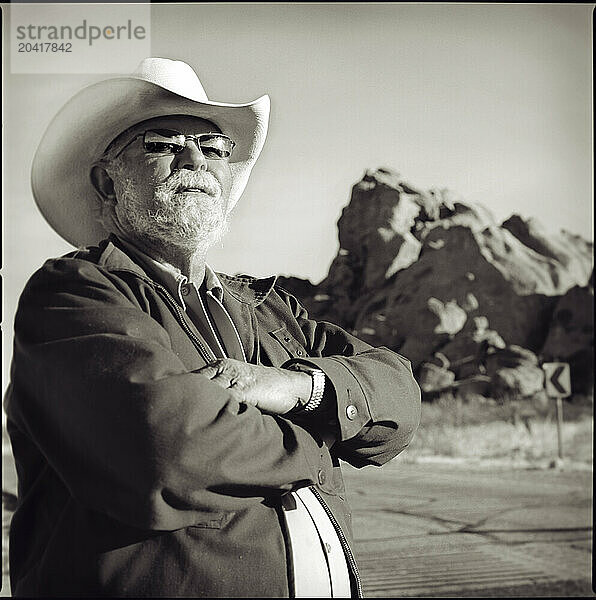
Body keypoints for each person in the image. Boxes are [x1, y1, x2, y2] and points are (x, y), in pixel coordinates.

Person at [4, 58, 421, 598]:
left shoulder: (269, 307)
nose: (196, 159)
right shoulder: (72, 294)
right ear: (108, 181)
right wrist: (326, 430)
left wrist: (301, 386)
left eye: (216, 148)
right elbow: (165, 450)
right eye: (163, 144)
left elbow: (400, 395)